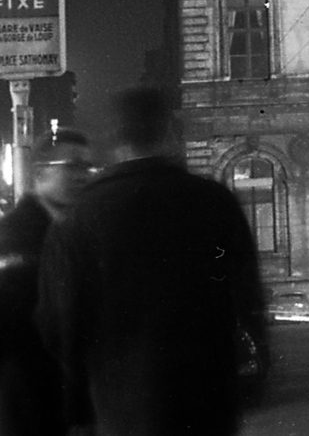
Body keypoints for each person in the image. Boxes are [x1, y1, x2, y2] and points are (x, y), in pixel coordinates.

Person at [35, 87, 267, 436]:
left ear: (115, 141)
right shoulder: (214, 204)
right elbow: (247, 301)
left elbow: (59, 327)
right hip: (208, 408)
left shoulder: (77, 222)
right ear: (169, 132)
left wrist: (88, 392)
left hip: (124, 411)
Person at [0, 128, 93, 436]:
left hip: (75, 402)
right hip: (31, 401)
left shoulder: (79, 230)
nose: (84, 176)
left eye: (87, 167)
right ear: (41, 173)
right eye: (73, 166)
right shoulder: (13, 235)